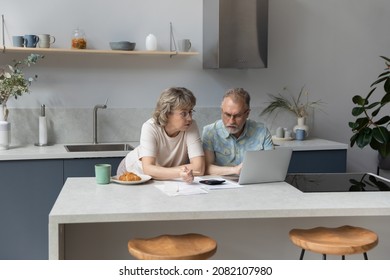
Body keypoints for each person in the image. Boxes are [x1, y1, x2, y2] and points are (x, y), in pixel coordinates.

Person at [118, 87, 205, 183]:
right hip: (132, 171)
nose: (189, 118)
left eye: (190, 111)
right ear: (167, 113)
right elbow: (148, 169)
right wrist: (180, 172)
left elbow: (199, 168)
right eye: (183, 113)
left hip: (163, 177)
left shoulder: (191, 126)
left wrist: (161, 172)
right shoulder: (150, 127)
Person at [202, 88, 274, 176]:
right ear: (222, 111)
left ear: (247, 114)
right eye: (227, 115)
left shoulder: (262, 131)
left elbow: (272, 166)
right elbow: (206, 168)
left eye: (238, 116)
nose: (231, 121)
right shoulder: (210, 132)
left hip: (254, 184)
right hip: (221, 186)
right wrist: (235, 170)